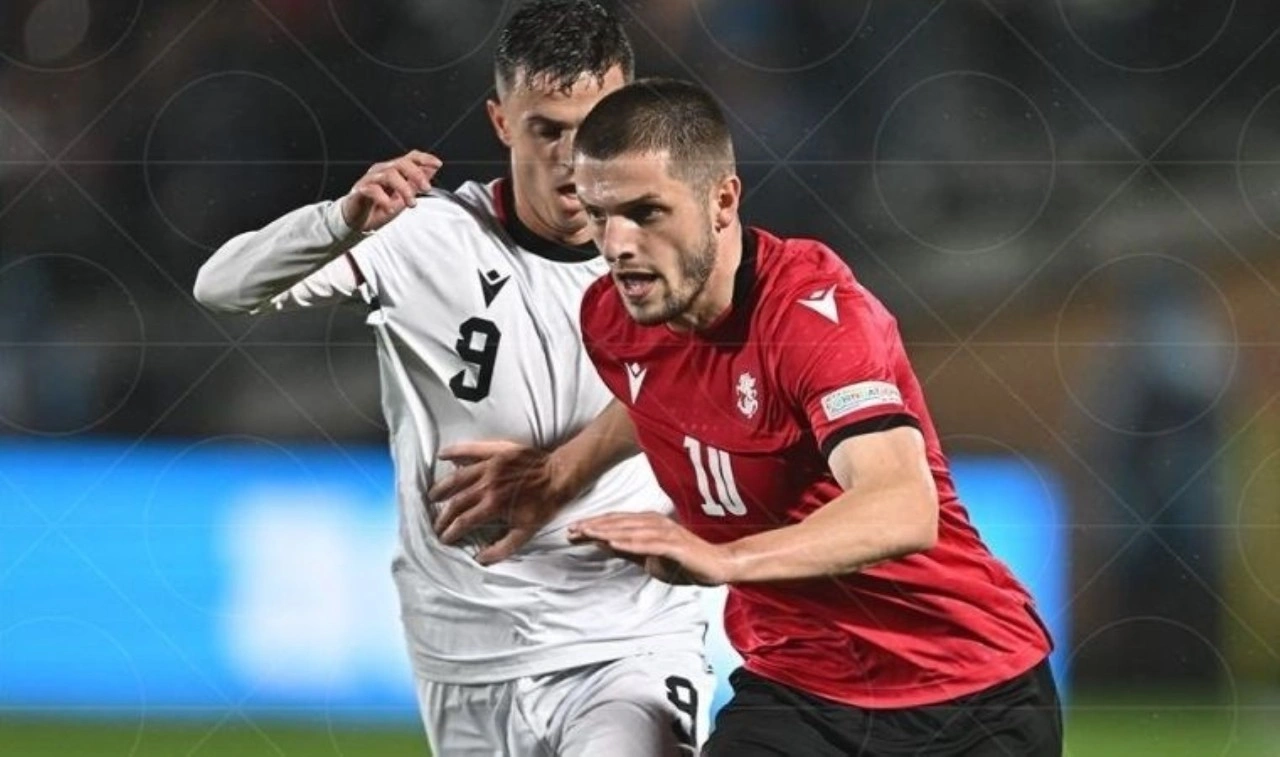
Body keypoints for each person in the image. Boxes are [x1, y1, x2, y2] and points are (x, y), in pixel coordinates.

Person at [192, 4, 713, 755]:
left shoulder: (678, 250)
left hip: (627, 636)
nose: (572, 158)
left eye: (593, 128)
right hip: (464, 648)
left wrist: (564, 472)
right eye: (546, 130)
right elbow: (222, 287)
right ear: (501, 122)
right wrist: (342, 220)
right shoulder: (421, 236)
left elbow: (717, 379)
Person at [565, 78, 1063, 756]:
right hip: (799, 685)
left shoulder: (812, 318)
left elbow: (902, 505)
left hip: (964, 688)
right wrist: (559, 471)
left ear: (722, 201)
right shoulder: (612, 319)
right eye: (598, 214)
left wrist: (723, 558)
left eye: (646, 212)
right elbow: (655, 390)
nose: (616, 243)